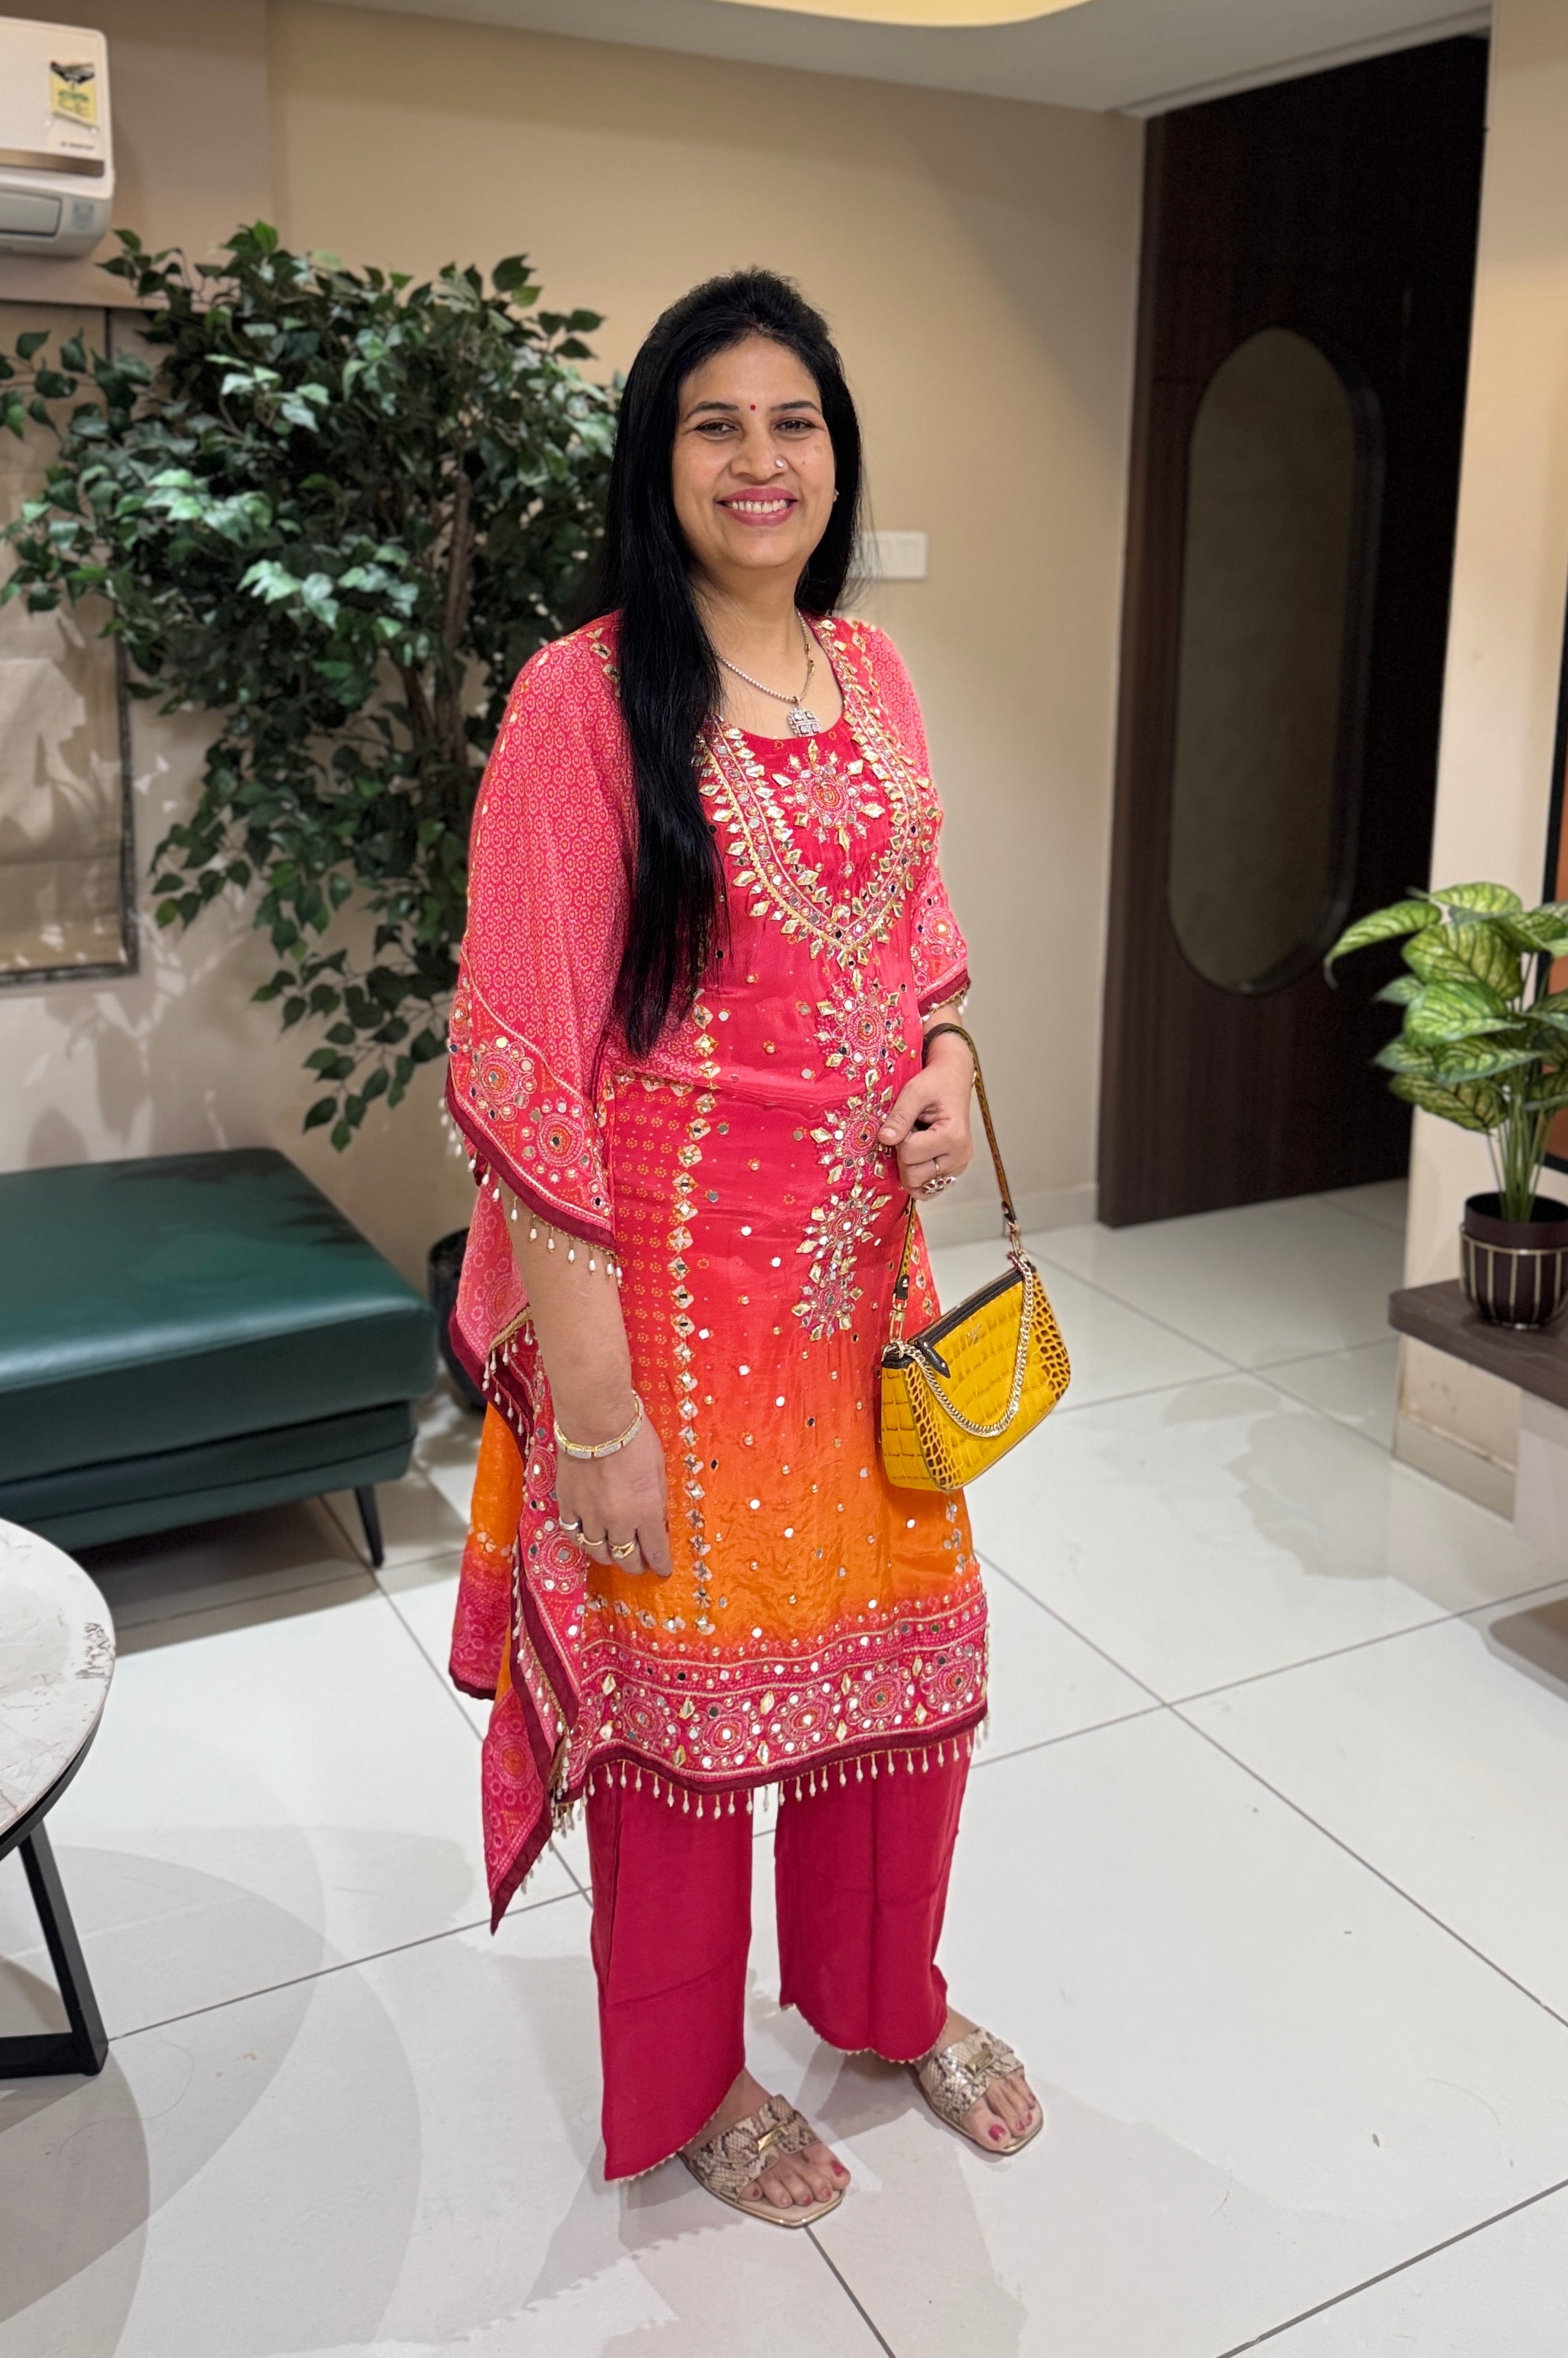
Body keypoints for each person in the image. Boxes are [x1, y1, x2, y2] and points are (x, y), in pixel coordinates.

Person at [445, 267, 1041, 2222]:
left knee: (901, 1680)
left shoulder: (869, 675)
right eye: (716, 423)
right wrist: (596, 1417)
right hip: (671, 1327)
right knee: (693, 1727)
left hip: (868, 1293)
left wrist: (947, 1055)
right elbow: (527, 1071)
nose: (759, 460)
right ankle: (691, 2078)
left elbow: (920, 935)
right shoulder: (581, 701)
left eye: (794, 422)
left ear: (834, 456)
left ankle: (885, 2004)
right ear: (659, 458)